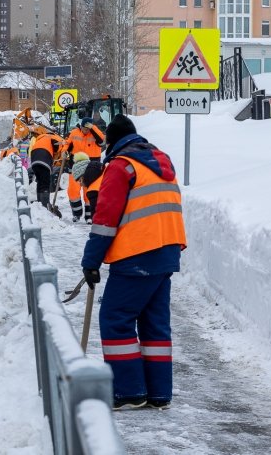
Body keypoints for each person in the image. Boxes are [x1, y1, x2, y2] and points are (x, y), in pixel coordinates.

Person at [80, 114, 187, 410]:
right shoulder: (160, 160)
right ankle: (158, 393)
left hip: (137, 253)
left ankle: (128, 392)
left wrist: (91, 261)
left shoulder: (121, 166)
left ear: (112, 142)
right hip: (167, 250)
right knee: (154, 324)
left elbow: (105, 219)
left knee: (116, 319)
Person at [66, 117, 105, 222]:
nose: (86, 131)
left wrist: (93, 128)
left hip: (91, 166)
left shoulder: (95, 134)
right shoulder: (74, 132)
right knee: (73, 190)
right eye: (84, 128)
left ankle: (90, 216)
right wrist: (64, 151)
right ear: (81, 126)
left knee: (89, 190)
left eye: (88, 129)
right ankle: (77, 214)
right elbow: (67, 144)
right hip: (75, 164)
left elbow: (102, 141)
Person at [28, 132, 66, 210]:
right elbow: (56, 145)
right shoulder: (56, 138)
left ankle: (40, 204)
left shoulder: (41, 138)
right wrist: (59, 153)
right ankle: (45, 205)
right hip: (44, 156)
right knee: (45, 182)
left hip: (34, 157)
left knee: (40, 182)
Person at [70, 152, 104, 223]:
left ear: (83, 176)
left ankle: (88, 216)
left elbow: (98, 222)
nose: (81, 184)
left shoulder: (94, 190)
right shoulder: (102, 171)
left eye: (80, 180)